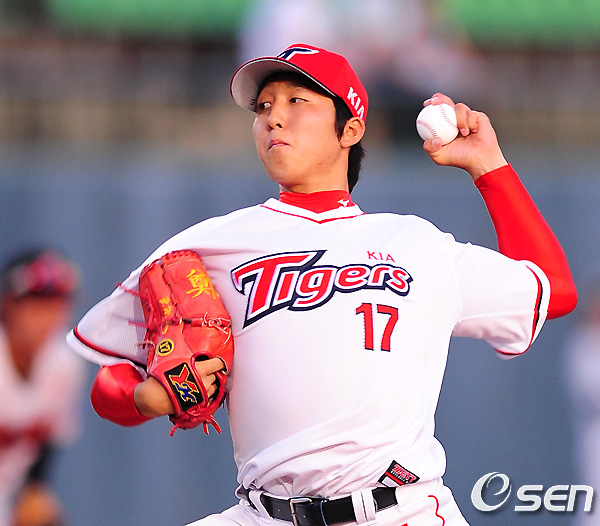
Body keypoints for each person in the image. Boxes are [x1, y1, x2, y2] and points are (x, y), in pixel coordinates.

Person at [67, 43, 577, 525]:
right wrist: (144, 399)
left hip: (399, 511)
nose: (274, 117)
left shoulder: (416, 243)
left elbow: (554, 291)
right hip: (262, 513)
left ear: (350, 129)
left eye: (297, 100)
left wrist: (488, 166)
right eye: (263, 106)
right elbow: (108, 385)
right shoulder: (208, 245)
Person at [0, 248, 85, 526]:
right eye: (37, 303)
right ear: (9, 305)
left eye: (57, 304)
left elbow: (50, 439)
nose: (48, 316)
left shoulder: (64, 364)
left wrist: (34, 487)